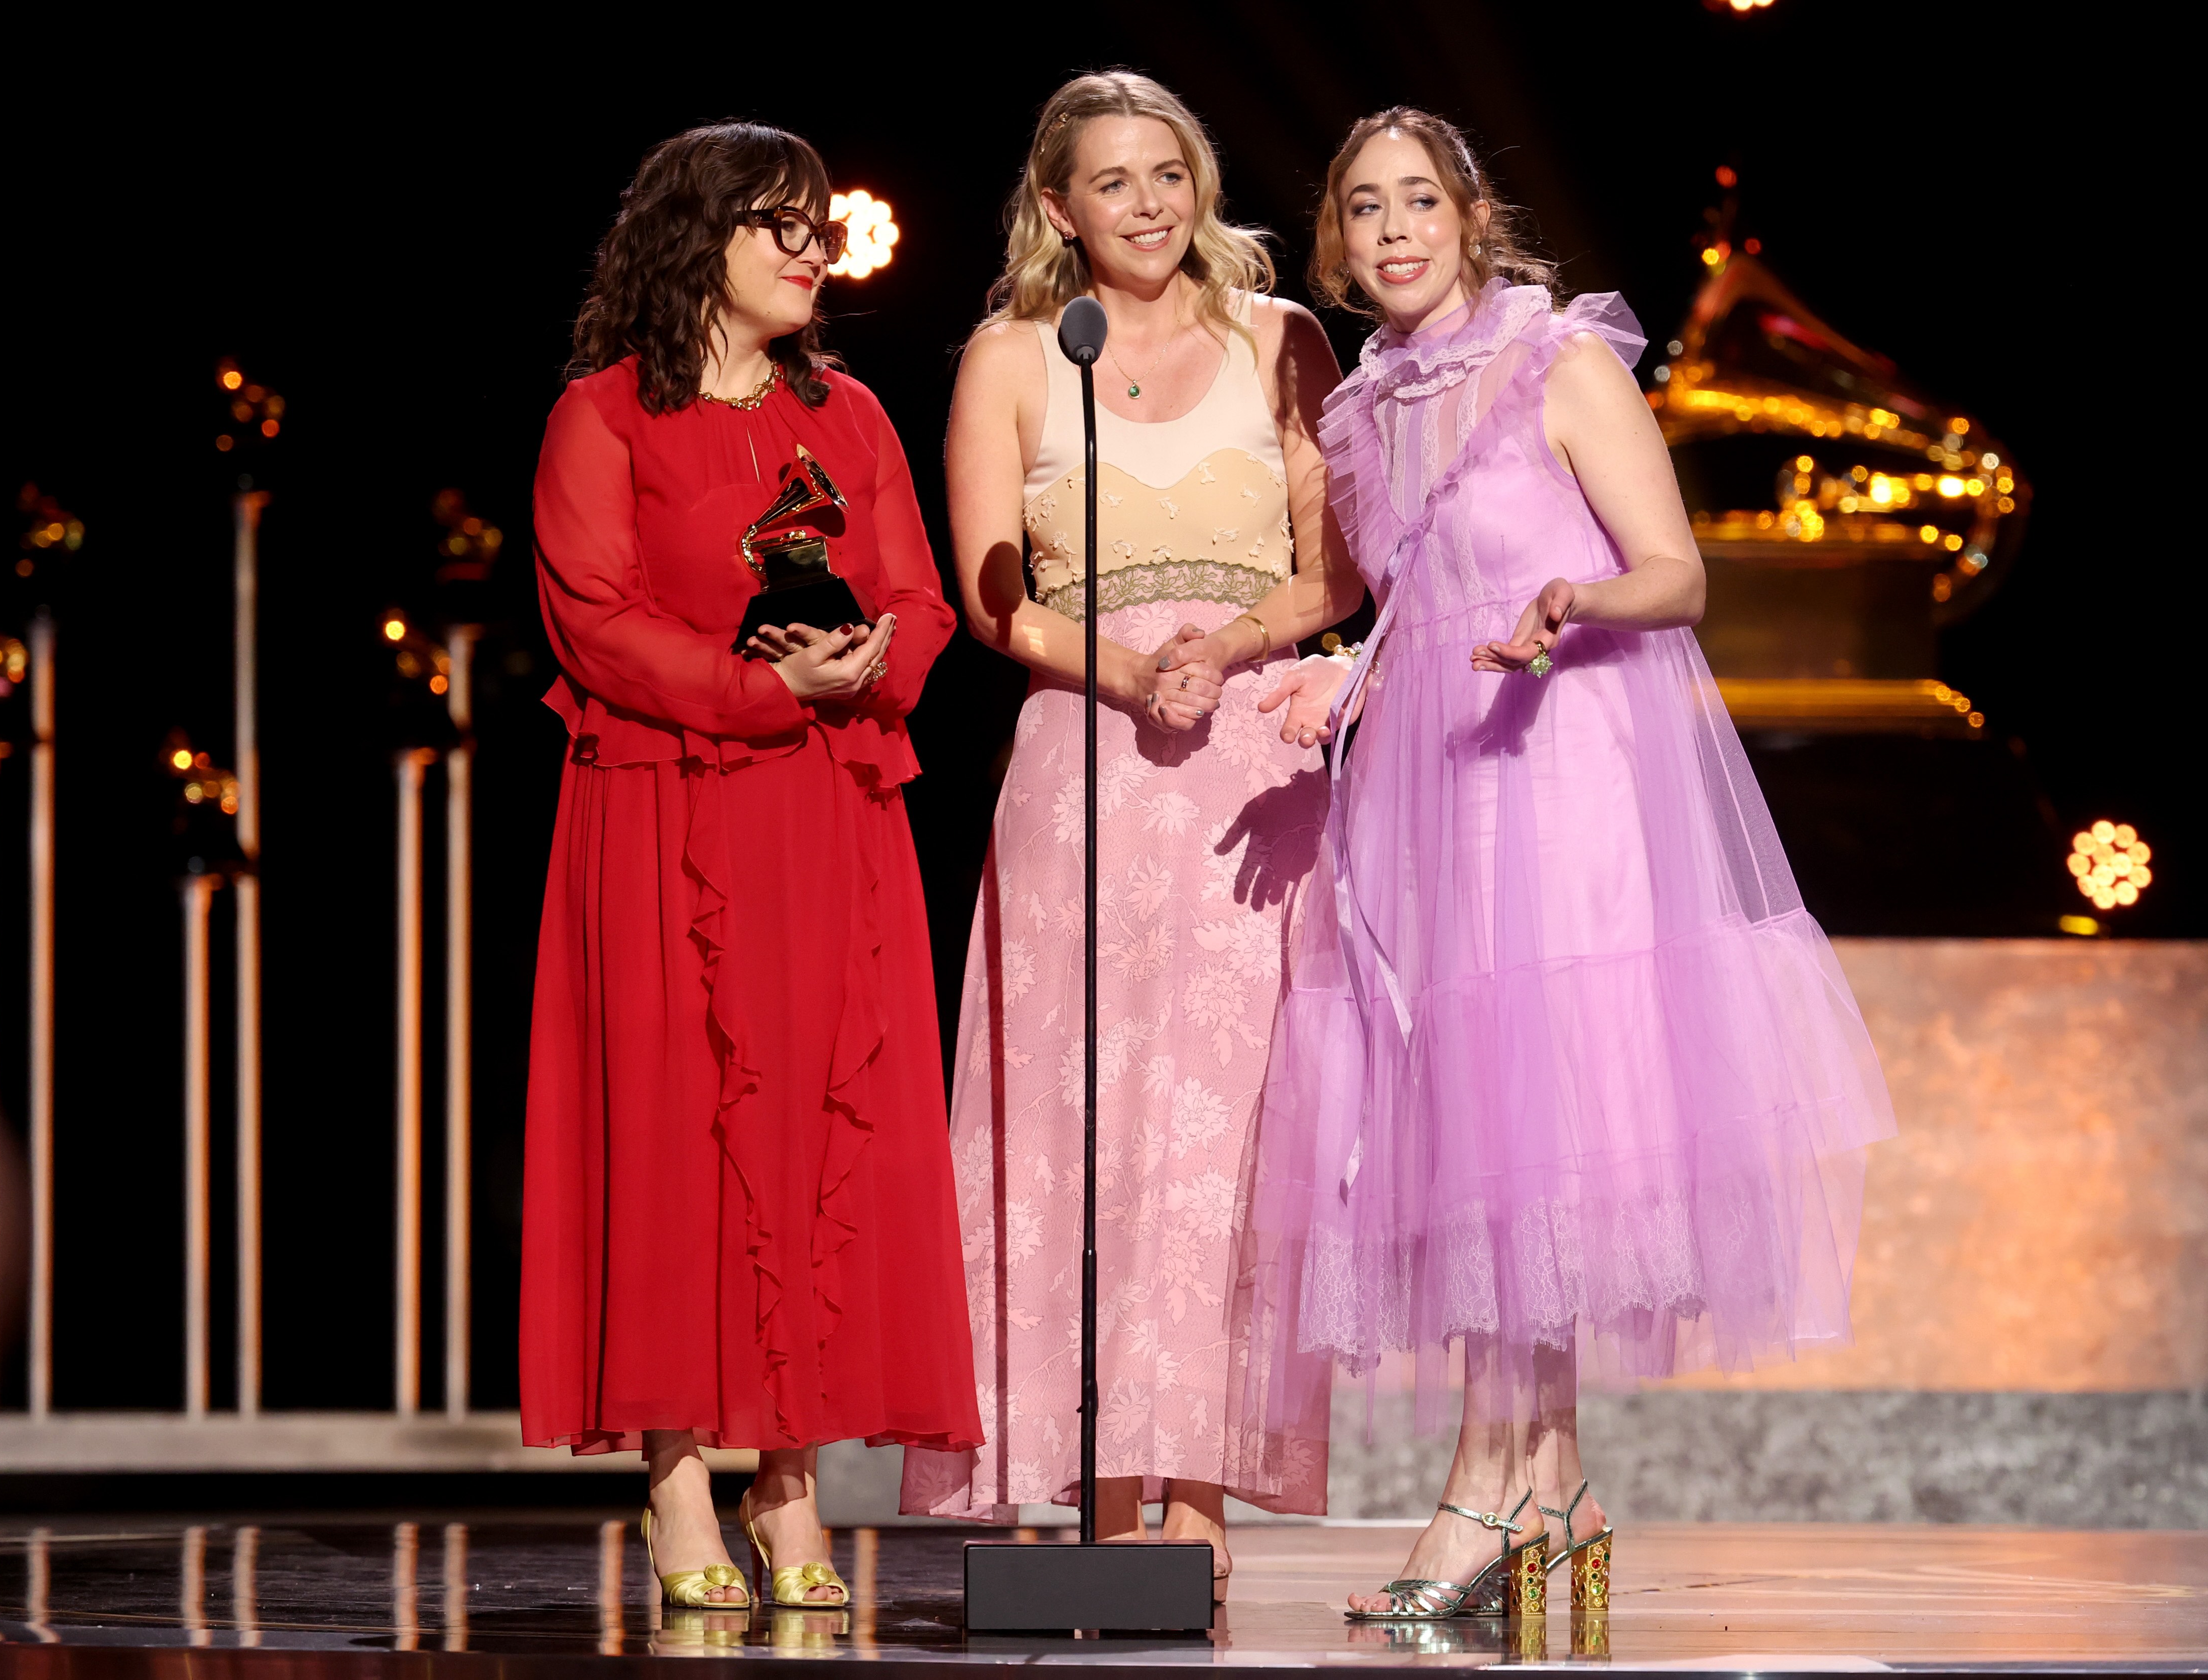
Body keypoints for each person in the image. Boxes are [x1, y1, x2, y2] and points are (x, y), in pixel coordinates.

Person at [1247, 108, 1896, 1621]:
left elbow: (1681, 575)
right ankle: (1556, 1486)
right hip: (1431, 790)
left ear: (1474, 219)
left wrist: (1573, 599)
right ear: (1338, 241)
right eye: (1366, 207)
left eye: (1421, 199)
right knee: (1486, 1138)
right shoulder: (1361, 412)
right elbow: (1403, 597)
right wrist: (1335, 673)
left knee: (1534, 1129)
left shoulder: (1564, 364)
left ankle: (1484, 1488)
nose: (1396, 228)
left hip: (1565, 780)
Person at [897, 73, 1365, 1593]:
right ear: (1059, 208)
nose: (1151, 203)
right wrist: (1123, 666)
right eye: (1115, 181)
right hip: (1082, 755)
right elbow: (989, 595)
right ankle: (1098, 1497)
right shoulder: (1016, 354)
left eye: (1171, 172)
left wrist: (1221, 655)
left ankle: (1204, 1499)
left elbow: (1332, 575)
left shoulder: (1280, 338)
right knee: (1084, 1118)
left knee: (1224, 1127)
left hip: (1242, 764)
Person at [521, 122, 980, 1610]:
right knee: (674, 1133)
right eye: (774, 226)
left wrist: (866, 659)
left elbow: (918, 591)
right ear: (693, 241)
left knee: (806, 1136)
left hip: (828, 812)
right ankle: (677, 1490)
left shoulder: (845, 413)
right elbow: (592, 613)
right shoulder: (605, 415)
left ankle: (791, 1493)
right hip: (664, 808)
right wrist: (757, 690)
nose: (806, 251)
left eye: (813, 228)